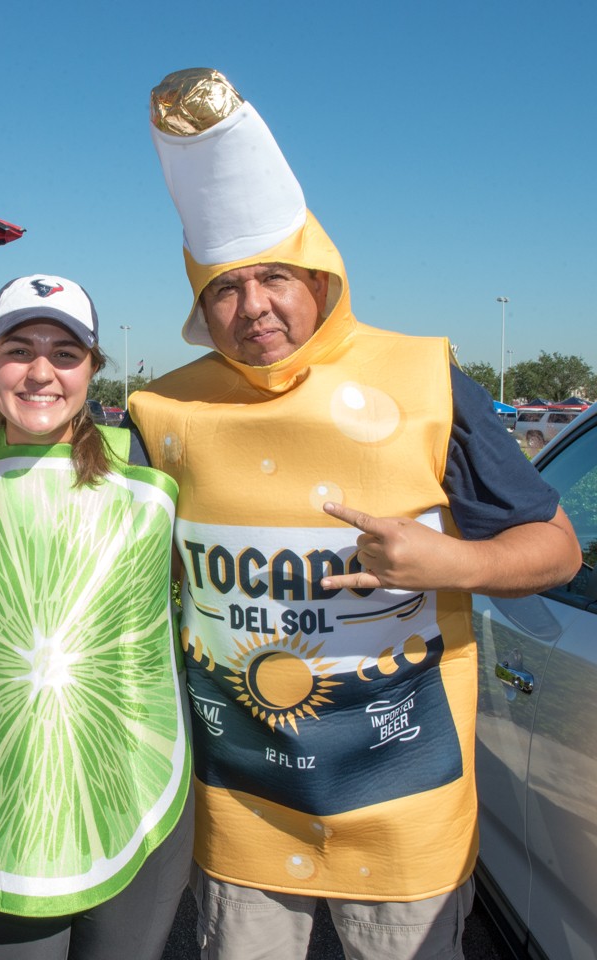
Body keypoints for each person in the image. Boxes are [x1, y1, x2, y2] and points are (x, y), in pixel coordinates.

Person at [132, 69, 580, 959]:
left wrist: (459, 566)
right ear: (197, 295)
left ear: (318, 273)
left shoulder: (423, 381)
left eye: (272, 278)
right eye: (225, 286)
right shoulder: (161, 413)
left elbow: (557, 548)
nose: (252, 307)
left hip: (404, 804)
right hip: (245, 810)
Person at [0, 275, 194, 960]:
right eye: (20, 350)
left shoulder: (150, 468)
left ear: (92, 370)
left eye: (65, 353)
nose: (41, 372)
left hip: (142, 787)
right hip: (3, 803)